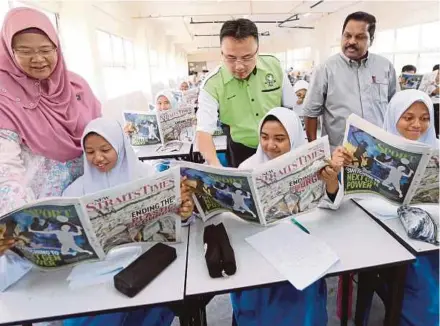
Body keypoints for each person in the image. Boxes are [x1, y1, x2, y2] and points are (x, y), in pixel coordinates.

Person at [62, 117, 195, 326]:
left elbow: (177, 224)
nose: (98, 158)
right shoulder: (75, 191)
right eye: (89, 152)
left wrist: (184, 214)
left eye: (105, 150)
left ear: (120, 146)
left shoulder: (148, 177)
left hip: (143, 266)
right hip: (95, 274)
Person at [0, 7, 101, 254]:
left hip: (88, 199)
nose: (38, 59)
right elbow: (5, 170)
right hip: (38, 213)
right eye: (25, 51)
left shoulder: (76, 85)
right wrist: (20, 224)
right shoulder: (3, 95)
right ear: (8, 51)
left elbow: (101, 136)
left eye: (46, 50)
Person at [232, 107, 344, 326]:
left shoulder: (312, 165)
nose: (270, 145)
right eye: (264, 137)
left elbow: (329, 204)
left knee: (302, 293)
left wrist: (331, 182)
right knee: (256, 291)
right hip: (259, 246)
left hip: (300, 246)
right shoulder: (248, 167)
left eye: (280, 139)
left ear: (293, 138)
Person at [337, 89, 439, 326]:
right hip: (389, 240)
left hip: (430, 234)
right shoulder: (375, 149)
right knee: (426, 290)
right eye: (408, 117)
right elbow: (347, 197)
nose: (417, 125)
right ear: (394, 117)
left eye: (425, 118)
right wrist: (340, 168)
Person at [196, 19, 296, 168]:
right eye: (230, 58)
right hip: (241, 148)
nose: (239, 66)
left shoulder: (274, 67)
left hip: (278, 146)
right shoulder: (212, 84)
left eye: (247, 57)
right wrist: (215, 165)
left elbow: (290, 107)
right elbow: (204, 131)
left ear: (257, 50)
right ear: (221, 53)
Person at [303, 11, 398, 150]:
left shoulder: (385, 67)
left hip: (379, 151)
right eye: (347, 35)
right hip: (340, 154)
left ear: (371, 39)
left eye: (360, 37)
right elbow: (310, 112)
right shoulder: (326, 69)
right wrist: (315, 151)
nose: (352, 41)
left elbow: (396, 107)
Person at [419, 64, 439, 137]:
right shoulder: (427, 82)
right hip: (430, 105)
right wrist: (433, 92)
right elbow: (422, 95)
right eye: (438, 73)